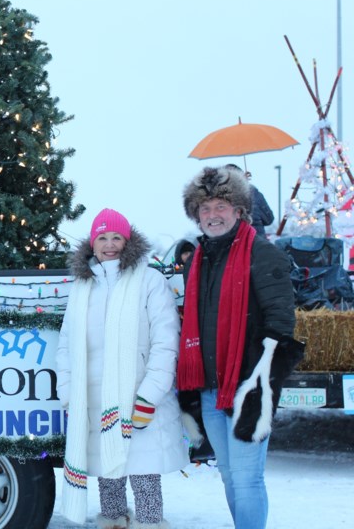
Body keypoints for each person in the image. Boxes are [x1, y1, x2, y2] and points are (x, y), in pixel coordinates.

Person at [178, 166, 304, 529]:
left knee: (248, 479)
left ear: (239, 211)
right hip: (210, 390)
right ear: (196, 214)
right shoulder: (196, 262)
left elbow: (281, 324)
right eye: (205, 208)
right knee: (231, 477)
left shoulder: (262, 255)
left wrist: (262, 380)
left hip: (249, 386)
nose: (213, 215)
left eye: (221, 206)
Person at [56, 208, 188, 529]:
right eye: (102, 237)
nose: (110, 244)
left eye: (117, 236)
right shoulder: (83, 287)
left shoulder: (149, 281)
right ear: (92, 243)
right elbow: (66, 347)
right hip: (97, 403)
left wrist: (149, 396)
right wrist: (70, 397)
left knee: (144, 483)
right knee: (109, 483)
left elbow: (165, 342)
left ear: (128, 241)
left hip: (140, 401)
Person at [224, 164, 274, 233]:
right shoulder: (254, 193)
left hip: (234, 241)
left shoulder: (219, 198)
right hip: (258, 240)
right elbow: (269, 219)